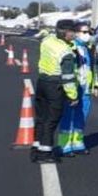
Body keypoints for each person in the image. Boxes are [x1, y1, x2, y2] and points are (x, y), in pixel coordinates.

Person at [32, 18, 80, 164]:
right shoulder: (66, 52)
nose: (75, 35)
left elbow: (45, 35)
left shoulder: (48, 41)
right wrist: (73, 96)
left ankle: (36, 148)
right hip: (55, 85)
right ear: (65, 33)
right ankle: (45, 153)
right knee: (51, 120)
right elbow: (68, 78)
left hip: (42, 82)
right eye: (73, 32)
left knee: (41, 117)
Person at [58, 20, 98, 156]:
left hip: (85, 88)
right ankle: (64, 145)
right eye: (84, 32)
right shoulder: (70, 47)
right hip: (73, 88)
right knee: (68, 116)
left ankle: (77, 143)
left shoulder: (88, 48)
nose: (88, 35)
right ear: (76, 33)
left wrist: (95, 85)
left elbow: (92, 68)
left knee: (82, 115)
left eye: (89, 32)